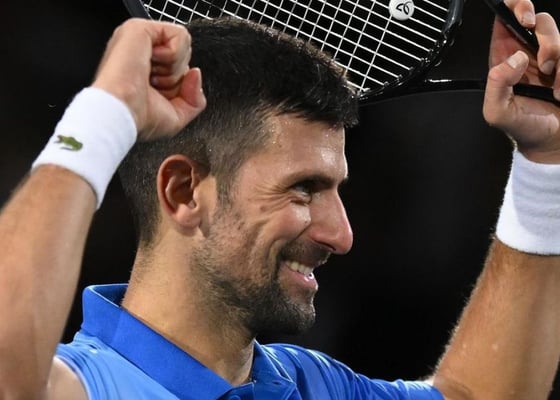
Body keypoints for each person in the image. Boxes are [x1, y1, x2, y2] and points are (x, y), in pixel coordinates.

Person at [1, 0, 560, 397]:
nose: (341, 235)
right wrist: (102, 118)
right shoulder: (82, 386)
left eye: (336, 189)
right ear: (184, 191)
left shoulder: (315, 387)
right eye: (303, 189)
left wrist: (544, 162)